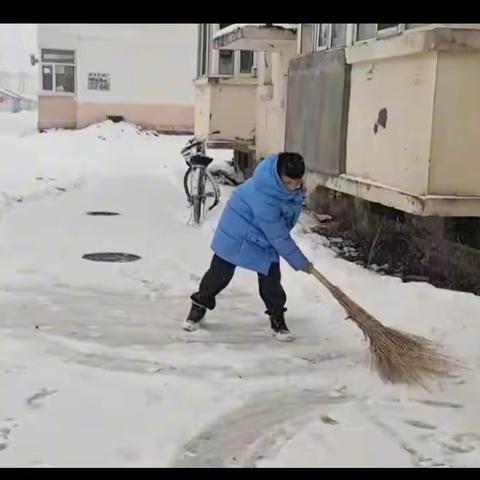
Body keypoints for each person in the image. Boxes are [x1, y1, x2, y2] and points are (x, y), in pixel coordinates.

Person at [183, 152, 313, 341]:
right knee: (219, 275)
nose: (294, 188)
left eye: (297, 183)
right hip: (237, 233)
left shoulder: (284, 189)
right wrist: (301, 262)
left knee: (271, 281)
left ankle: (277, 317)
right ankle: (199, 306)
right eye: (288, 183)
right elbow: (278, 236)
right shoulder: (265, 195)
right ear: (278, 177)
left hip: (262, 235)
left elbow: (279, 227)